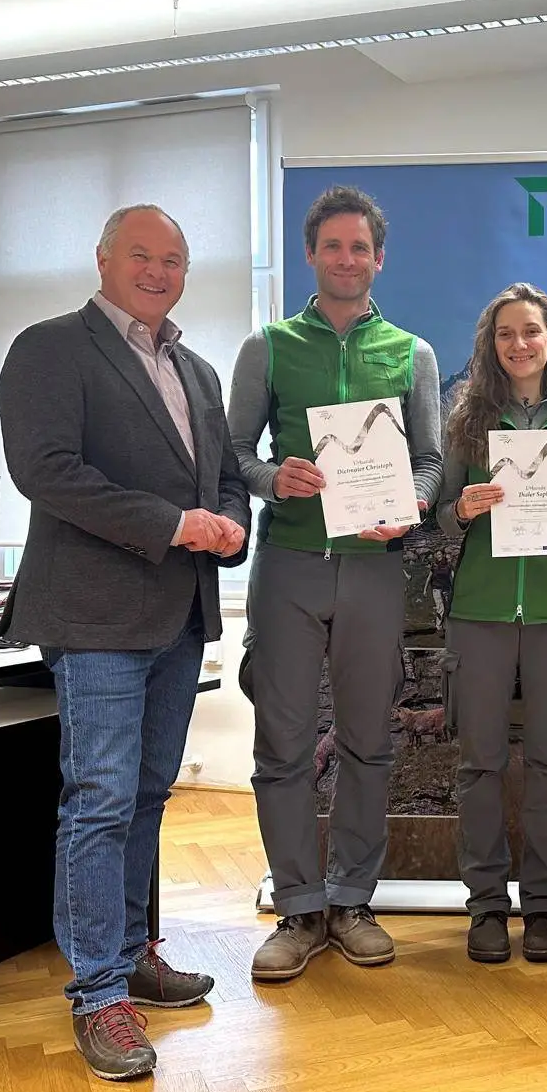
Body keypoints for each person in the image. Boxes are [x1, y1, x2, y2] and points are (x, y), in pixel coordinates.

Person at [0, 204, 250, 1080]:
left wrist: (231, 526)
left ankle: (136, 950)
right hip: (95, 614)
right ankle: (99, 995)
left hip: (179, 614)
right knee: (99, 801)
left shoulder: (199, 369)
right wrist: (177, 524)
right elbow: (48, 471)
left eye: (172, 258)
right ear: (102, 258)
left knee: (146, 796)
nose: (157, 270)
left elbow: (222, 478)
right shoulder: (49, 347)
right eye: (140, 254)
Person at [227, 186, 443, 982]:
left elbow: (429, 460)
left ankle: (353, 899)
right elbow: (232, 454)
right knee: (281, 744)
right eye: (332, 247)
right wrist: (268, 476)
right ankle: (299, 906)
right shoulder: (271, 346)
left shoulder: (411, 353)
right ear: (311, 255)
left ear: (378, 259)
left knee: (367, 740)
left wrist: (415, 502)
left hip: (375, 569)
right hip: (288, 565)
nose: (346, 259)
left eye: (360, 248)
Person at [435, 283, 547, 965]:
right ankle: (484, 908)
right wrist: (465, 510)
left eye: (531, 331)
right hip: (480, 615)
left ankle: (543, 908)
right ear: (491, 344)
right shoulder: (468, 423)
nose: (519, 344)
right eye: (506, 333)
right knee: (479, 764)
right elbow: (438, 511)